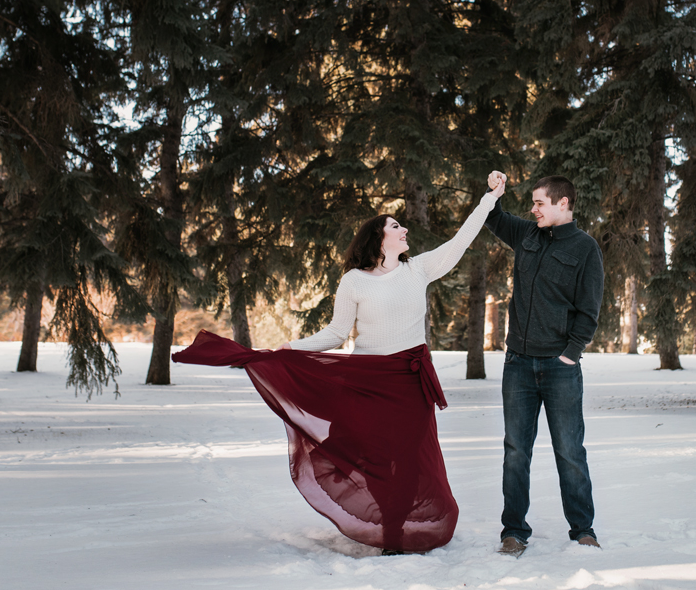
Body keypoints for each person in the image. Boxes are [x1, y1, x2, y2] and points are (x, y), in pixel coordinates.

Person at [171, 178, 504, 555]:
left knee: (410, 457)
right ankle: (387, 524)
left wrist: (489, 199)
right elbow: (336, 332)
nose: (404, 229)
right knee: (372, 455)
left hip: (410, 381)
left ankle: (395, 528)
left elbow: (461, 240)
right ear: (378, 239)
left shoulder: (419, 270)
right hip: (367, 380)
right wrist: (290, 348)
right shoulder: (354, 281)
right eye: (395, 226)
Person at [483, 172, 604, 556]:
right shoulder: (527, 235)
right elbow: (493, 217)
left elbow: (589, 310)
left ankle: (583, 529)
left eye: (540, 203)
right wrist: (493, 192)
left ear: (563, 203)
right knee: (516, 450)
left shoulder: (585, 248)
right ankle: (514, 532)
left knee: (570, 450)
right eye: (533, 203)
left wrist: (571, 351)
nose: (532, 209)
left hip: (559, 367)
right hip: (518, 364)